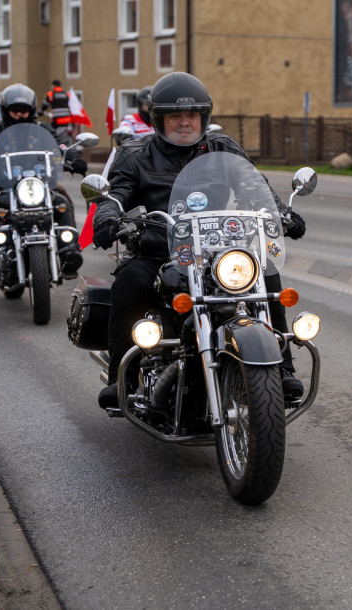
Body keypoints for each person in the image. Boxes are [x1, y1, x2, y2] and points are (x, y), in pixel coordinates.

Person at [91, 71, 307, 409]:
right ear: (158, 119)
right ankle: (125, 376)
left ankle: (281, 369)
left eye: (191, 115)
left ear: (203, 117)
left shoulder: (223, 148)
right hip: (160, 253)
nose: (184, 123)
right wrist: (107, 218)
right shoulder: (135, 154)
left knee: (265, 273)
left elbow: (254, 186)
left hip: (218, 252)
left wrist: (281, 214)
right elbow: (115, 196)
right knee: (129, 281)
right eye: (175, 116)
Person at [0, 83, 87, 281]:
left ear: (31, 111)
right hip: (4, 187)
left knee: (63, 204)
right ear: (5, 111)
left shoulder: (41, 129)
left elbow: (60, 145)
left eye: (24, 111)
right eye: (15, 111)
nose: (20, 115)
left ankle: (69, 252)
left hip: (39, 186)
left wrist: (73, 157)